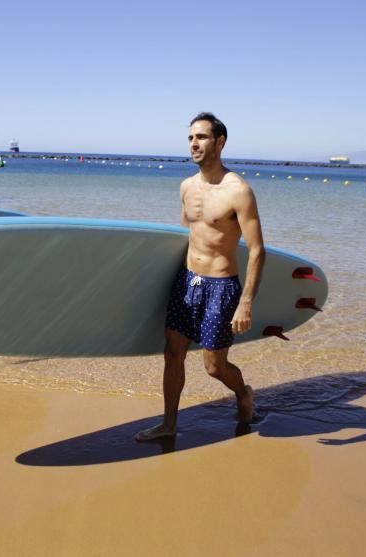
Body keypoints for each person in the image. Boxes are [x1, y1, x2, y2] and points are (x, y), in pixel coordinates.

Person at [135, 112, 265, 441]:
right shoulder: (186, 187)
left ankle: (243, 392)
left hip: (220, 286)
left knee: (214, 367)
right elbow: (183, 237)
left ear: (220, 142)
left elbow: (257, 250)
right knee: (173, 353)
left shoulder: (239, 191)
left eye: (202, 137)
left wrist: (245, 303)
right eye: (191, 137)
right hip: (189, 280)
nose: (194, 143)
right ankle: (169, 425)